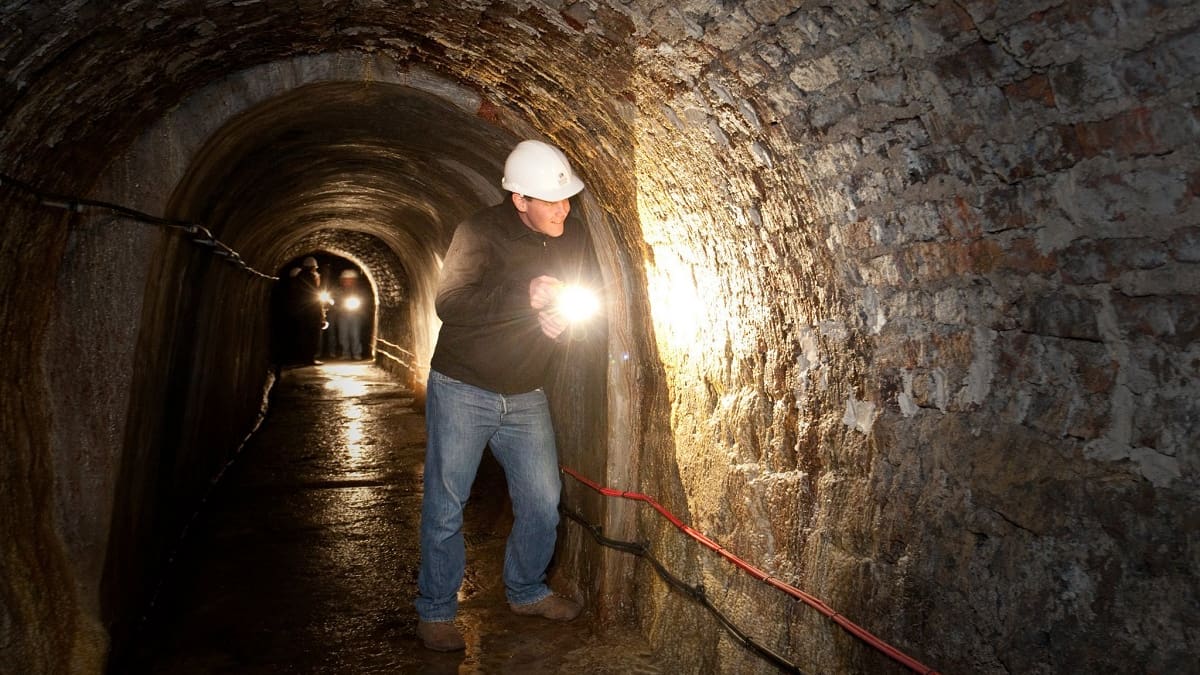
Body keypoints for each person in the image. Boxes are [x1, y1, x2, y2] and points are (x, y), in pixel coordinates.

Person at [415, 139, 587, 652]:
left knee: (542, 502)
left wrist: (563, 326)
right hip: (463, 385)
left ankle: (527, 590)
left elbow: (581, 302)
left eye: (565, 198)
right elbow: (450, 302)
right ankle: (437, 611)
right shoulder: (479, 231)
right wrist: (523, 295)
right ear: (519, 200)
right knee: (447, 506)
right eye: (550, 200)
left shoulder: (569, 237)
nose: (563, 208)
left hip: (526, 391)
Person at [333, 269, 364, 360]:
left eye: (350, 279)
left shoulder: (359, 291)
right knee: (343, 335)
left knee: (355, 334)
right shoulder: (339, 290)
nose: (348, 281)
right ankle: (345, 353)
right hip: (342, 314)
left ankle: (356, 353)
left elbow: (364, 301)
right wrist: (338, 307)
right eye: (346, 279)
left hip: (356, 314)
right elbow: (334, 300)